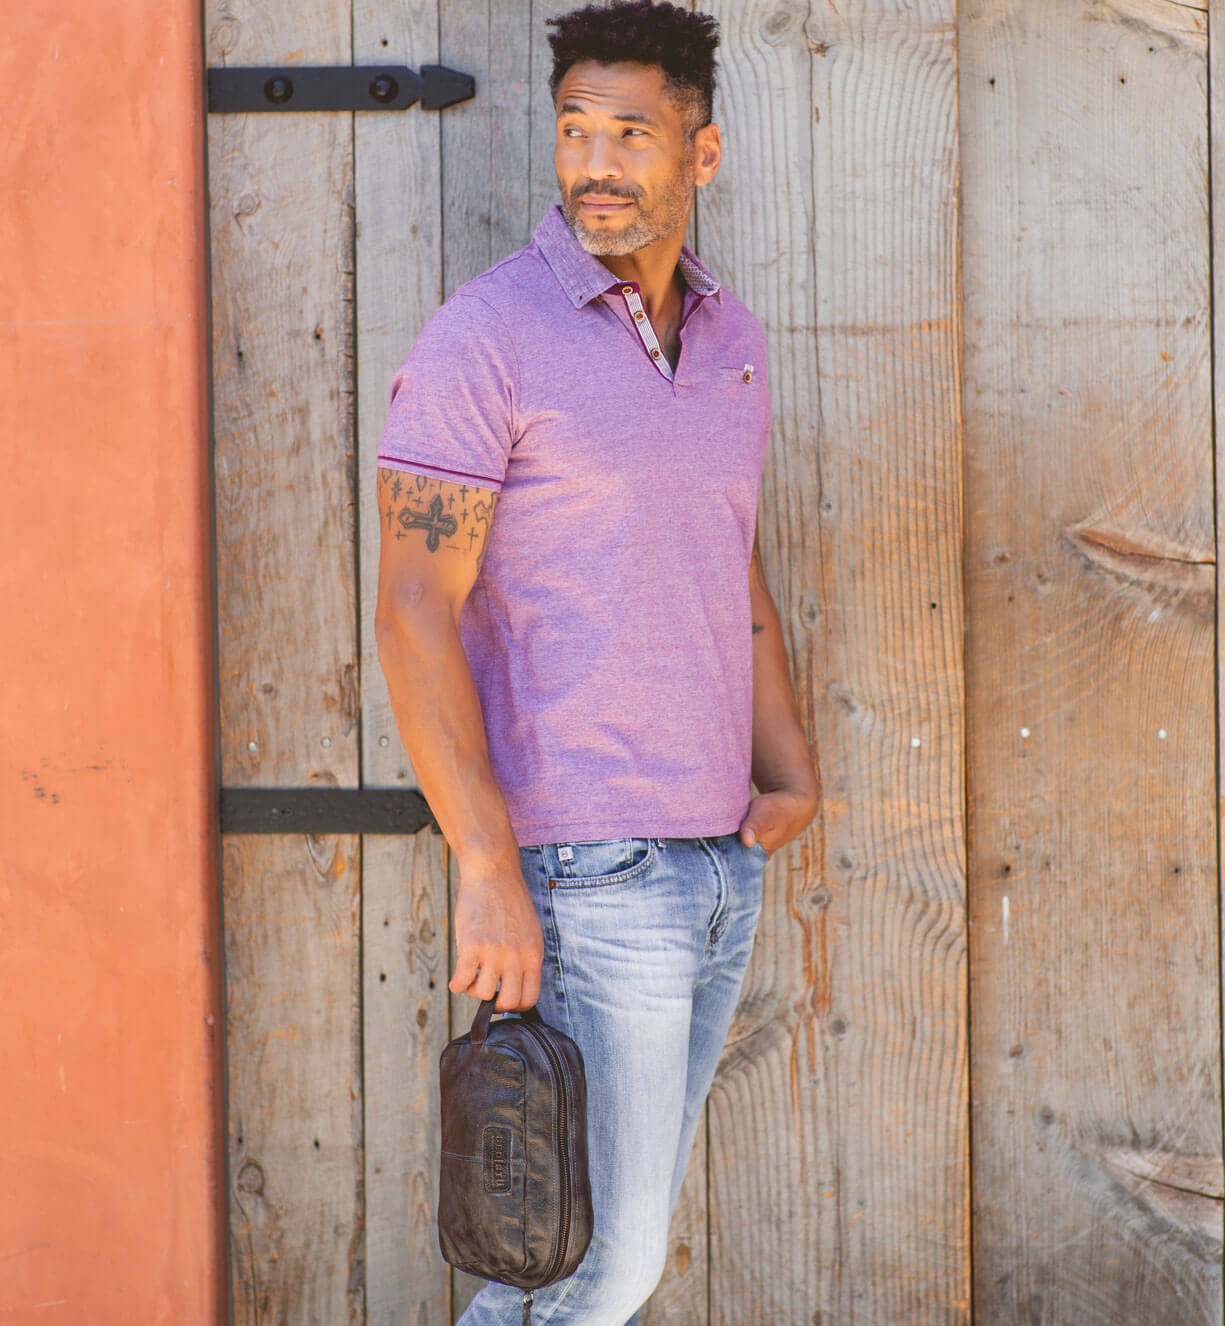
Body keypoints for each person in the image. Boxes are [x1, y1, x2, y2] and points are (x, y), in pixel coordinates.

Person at [374, 3, 819, 1321]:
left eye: (631, 132)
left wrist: (786, 769)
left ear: (703, 152)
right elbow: (411, 606)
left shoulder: (729, 344)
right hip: (583, 867)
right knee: (602, 1266)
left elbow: (724, 561)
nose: (597, 164)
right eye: (576, 132)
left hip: (714, 858)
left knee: (572, 1257)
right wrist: (486, 865)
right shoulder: (488, 337)